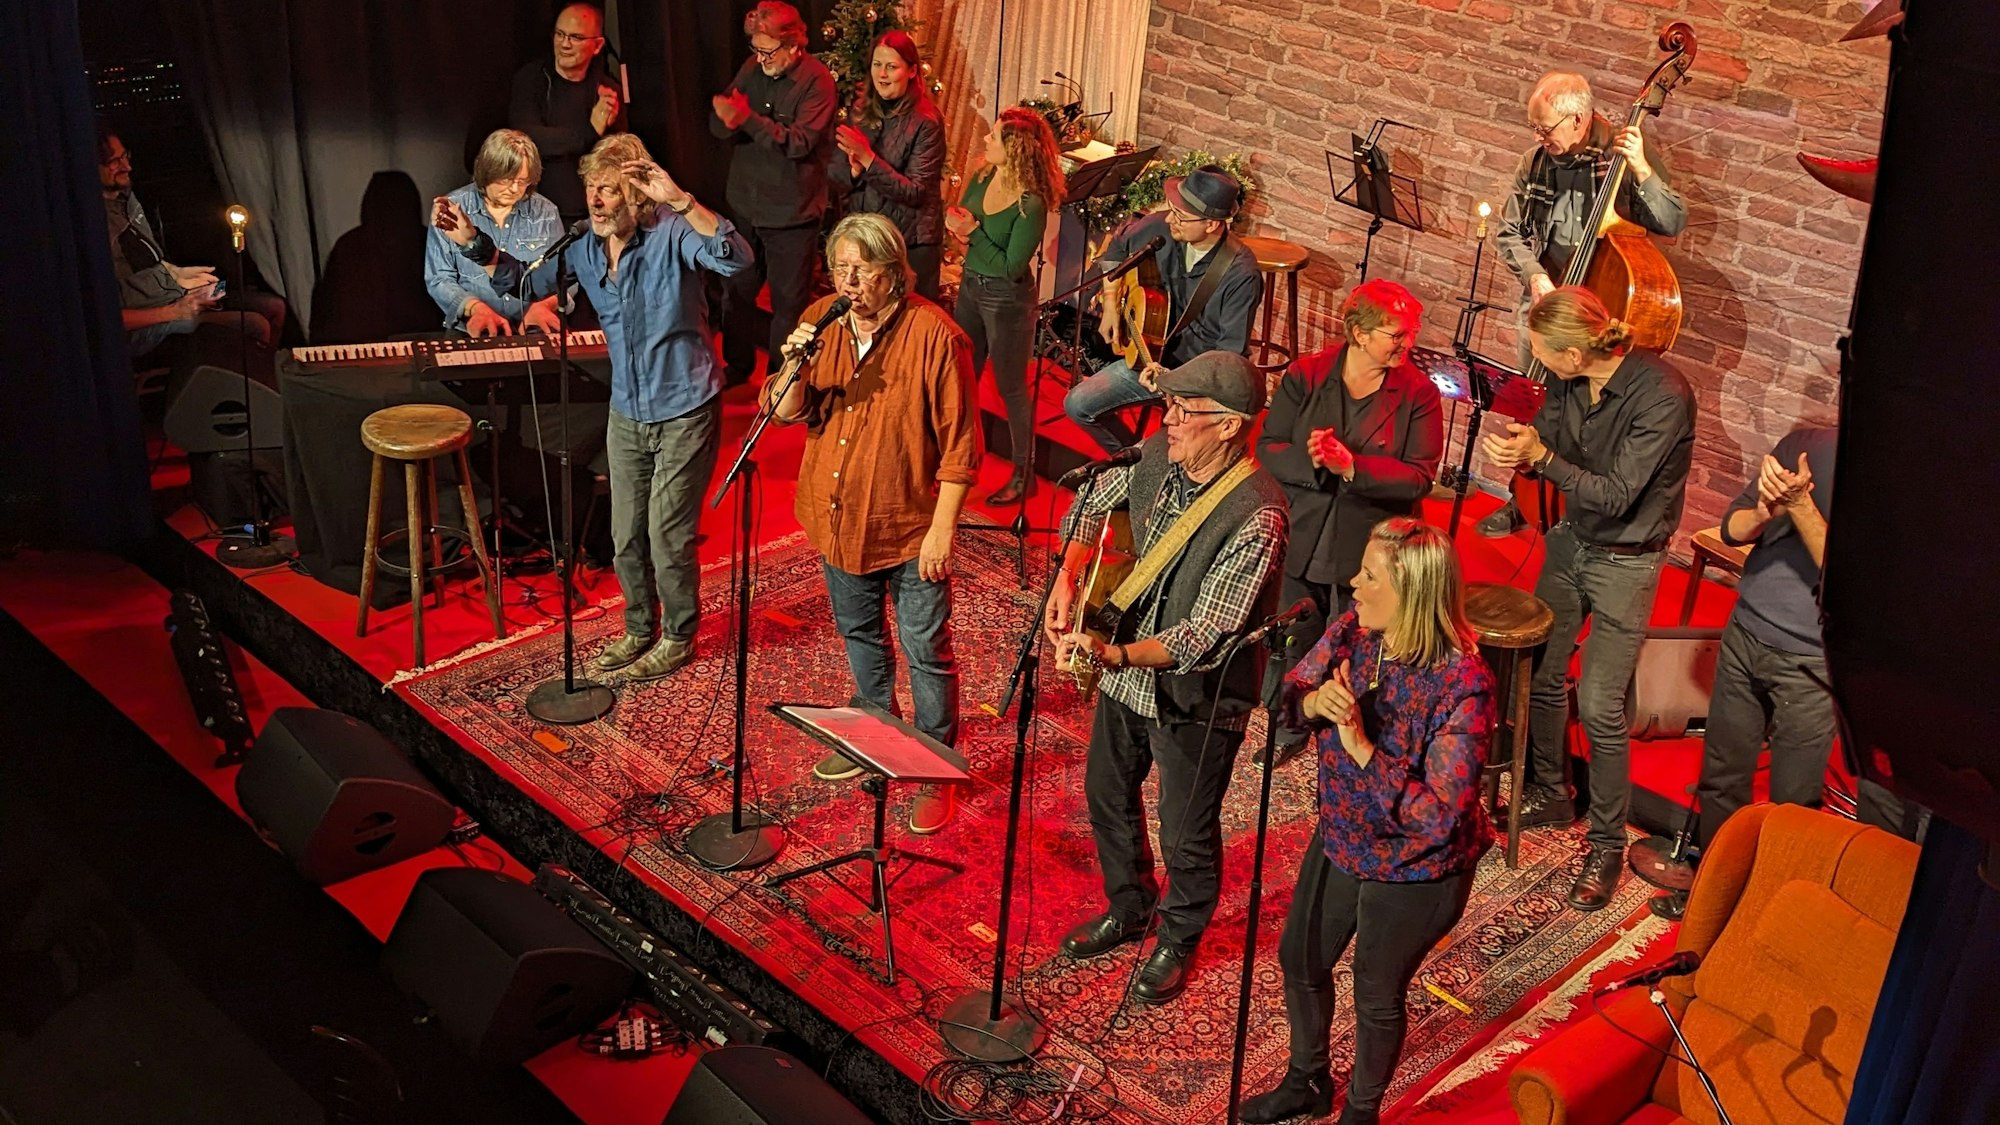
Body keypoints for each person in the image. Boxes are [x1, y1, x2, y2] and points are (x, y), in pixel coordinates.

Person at [439, 133, 753, 681]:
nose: (597, 200)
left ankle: (678, 636)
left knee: (667, 535)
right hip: (628, 409)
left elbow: (735, 258)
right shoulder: (583, 245)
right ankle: (639, 627)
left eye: (609, 190)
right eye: (592, 189)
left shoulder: (672, 231)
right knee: (624, 533)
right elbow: (523, 281)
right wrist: (473, 244)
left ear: (638, 195)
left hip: (684, 407)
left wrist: (682, 201)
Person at [1048, 351, 1290, 1004]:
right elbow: (1093, 498)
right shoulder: (1158, 454)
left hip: (1197, 695)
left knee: (1185, 831)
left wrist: (1115, 656)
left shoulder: (1258, 514)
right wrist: (1070, 573)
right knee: (1107, 792)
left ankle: (1178, 938)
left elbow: (1204, 632)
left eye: (1185, 410)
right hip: (1124, 671)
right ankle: (1129, 906)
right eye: (1169, 405)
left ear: (1230, 425)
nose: (1168, 420)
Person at [1241, 519, 1495, 1125]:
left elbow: (1438, 818)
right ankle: (1307, 1081)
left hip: (1417, 867)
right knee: (1301, 959)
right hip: (1344, 834)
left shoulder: (1465, 684)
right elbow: (1290, 695)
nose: (1353, 583)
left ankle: (1360, 1113)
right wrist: (1311, 702)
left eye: (1370, 576)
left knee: (1375, 993)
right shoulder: (1355, 630)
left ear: (1411, 594)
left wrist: (1359, 746)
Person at [762, 213, 981, 835]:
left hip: (907, 527)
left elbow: (961, 446)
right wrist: (796, 366)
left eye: (861, 270)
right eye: (839, 268)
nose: (848, 282)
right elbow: (786, 413)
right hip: (837, 518)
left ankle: (935, 766)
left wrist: (942, 531)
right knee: (859, 635)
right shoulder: (820, 322)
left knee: (925, 650)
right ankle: (874, 734)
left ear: (893, 272)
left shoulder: (935, 336)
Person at [1480, 287, 1694, 912]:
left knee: (1600, 707)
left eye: (1545, 353)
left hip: (1628, 560)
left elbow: (1619, 493)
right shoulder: (1570, 382)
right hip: (1571, 542)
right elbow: (1549, 445)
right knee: (1543, 675)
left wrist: (1543, 457)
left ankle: (1605, 845)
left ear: (1575, 353)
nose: (1539, 364)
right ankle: (1552, 791)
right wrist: (1522, 455)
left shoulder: (1663, 396)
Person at [1481, 69, 1687, 537]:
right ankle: (1521, 499)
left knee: (1585, 422)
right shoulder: (1535, 162)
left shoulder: (1624, 156)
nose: (1539, 137)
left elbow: (1673, 222)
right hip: (1546, 304)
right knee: (1534, 406)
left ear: (1578, 119)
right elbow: (1509, 232)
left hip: (1599, 311)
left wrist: (1642, 170)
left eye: (1544, 128)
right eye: (1534, 128)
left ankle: (1578, 513)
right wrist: (1534, 275)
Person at [1257, 280, 1445, 765]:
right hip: (1305, 530)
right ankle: (1288, 723)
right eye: (1396, 334)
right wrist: (1311, 459)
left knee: (1358, 645)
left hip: (1367, 542)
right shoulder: (1307, 375)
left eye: (1411, 332)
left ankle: (1356, 735)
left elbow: (1419, 477)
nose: (1408, 344)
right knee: (1293, 636)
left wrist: (1353, 467)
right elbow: (1269, 446)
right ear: (1359, 334)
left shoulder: (1419, 394)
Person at [1653, 425, 1836, 918]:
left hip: (1812, 663)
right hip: (1746, 632)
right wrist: (1764, 512)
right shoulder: (1803, 443)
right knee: (1722, 777)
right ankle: (1712, 896)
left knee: (1792, 807)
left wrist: (1801, 507)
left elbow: (1850, 582)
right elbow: (1733, 529)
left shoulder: (1895, 481)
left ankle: (1767, 916)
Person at [1062, 165, 1264, 454]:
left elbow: (1228, 359)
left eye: (1180, 215)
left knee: (1181, 449)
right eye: (1172, 209)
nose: (1170, 219)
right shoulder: (1162, 227)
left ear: (1211, 224)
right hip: (1147, 358)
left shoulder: (1240, 274)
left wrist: (1177, 383)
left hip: (1193, 384)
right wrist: (1111, 303)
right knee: (1078, 404)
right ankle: (1135, 457)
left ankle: (1155, 461)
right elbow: (1115, 251)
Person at [711, 1, 838, 387]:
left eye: (768, 51)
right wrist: (725, 119)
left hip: (791, 214)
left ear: (794, 45)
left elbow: (799, 143)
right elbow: (721, 124)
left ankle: (778, 385)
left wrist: (746, 119)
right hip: (746, 204)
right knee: (736, 291)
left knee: (788, 306)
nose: (761, 58)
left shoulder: (817, 82)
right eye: (756, 49)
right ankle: (738, 366)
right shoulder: (752, 68)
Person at [944, 108, 1064, 505]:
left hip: (1006, 300)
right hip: (971, 287)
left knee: (1010, 387)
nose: (985, 140)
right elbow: (965, 221)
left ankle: (1024, 473)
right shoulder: (982, 176)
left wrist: (973, 234)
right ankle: (959, 459)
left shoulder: (1031, 204)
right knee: (963, 374)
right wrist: (959, 229)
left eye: (994, 137)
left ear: (1015, 150)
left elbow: (1011, 268)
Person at [99, 126, 288, 364]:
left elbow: (147, 260)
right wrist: (175, 311)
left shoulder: (125, 198)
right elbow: (105, 316)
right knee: (255, 325)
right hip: (151, 322)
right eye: (114, 162)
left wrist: (178, 273)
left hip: (173, 295)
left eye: (125, 156)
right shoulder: (94, 227)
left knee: (274, 307)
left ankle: (269, 377)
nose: (127, 166)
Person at [829, 30, 946, 301]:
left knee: (908, 320)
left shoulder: (926, 121)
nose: (882, 74)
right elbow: (835, 173)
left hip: (910, 244)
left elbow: (916, 191)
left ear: (912, 71)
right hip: (866, 238)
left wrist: (868, 160)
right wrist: (853, 171)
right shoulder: (860, 110)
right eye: (877, 65)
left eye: (891, 67)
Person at [425, 129, 563, 336]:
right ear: (487, 171)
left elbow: (565, 278)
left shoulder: (546, 213)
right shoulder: (452, 210)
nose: (514, 189)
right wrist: (475, 309)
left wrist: (543, 306)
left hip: (533, 330)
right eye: (506, 180)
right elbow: (439, 279)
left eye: (522, 181)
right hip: (474, 331)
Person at [509, 2, 624, 224]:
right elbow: (525, 140)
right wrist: (589, 132)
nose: (565, 44)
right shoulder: (531, 79)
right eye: (560, 34)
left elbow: (617, 156)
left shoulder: (607, 91)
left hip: (593, 217)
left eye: (576, 37)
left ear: (597, 45)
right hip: (537, 215)